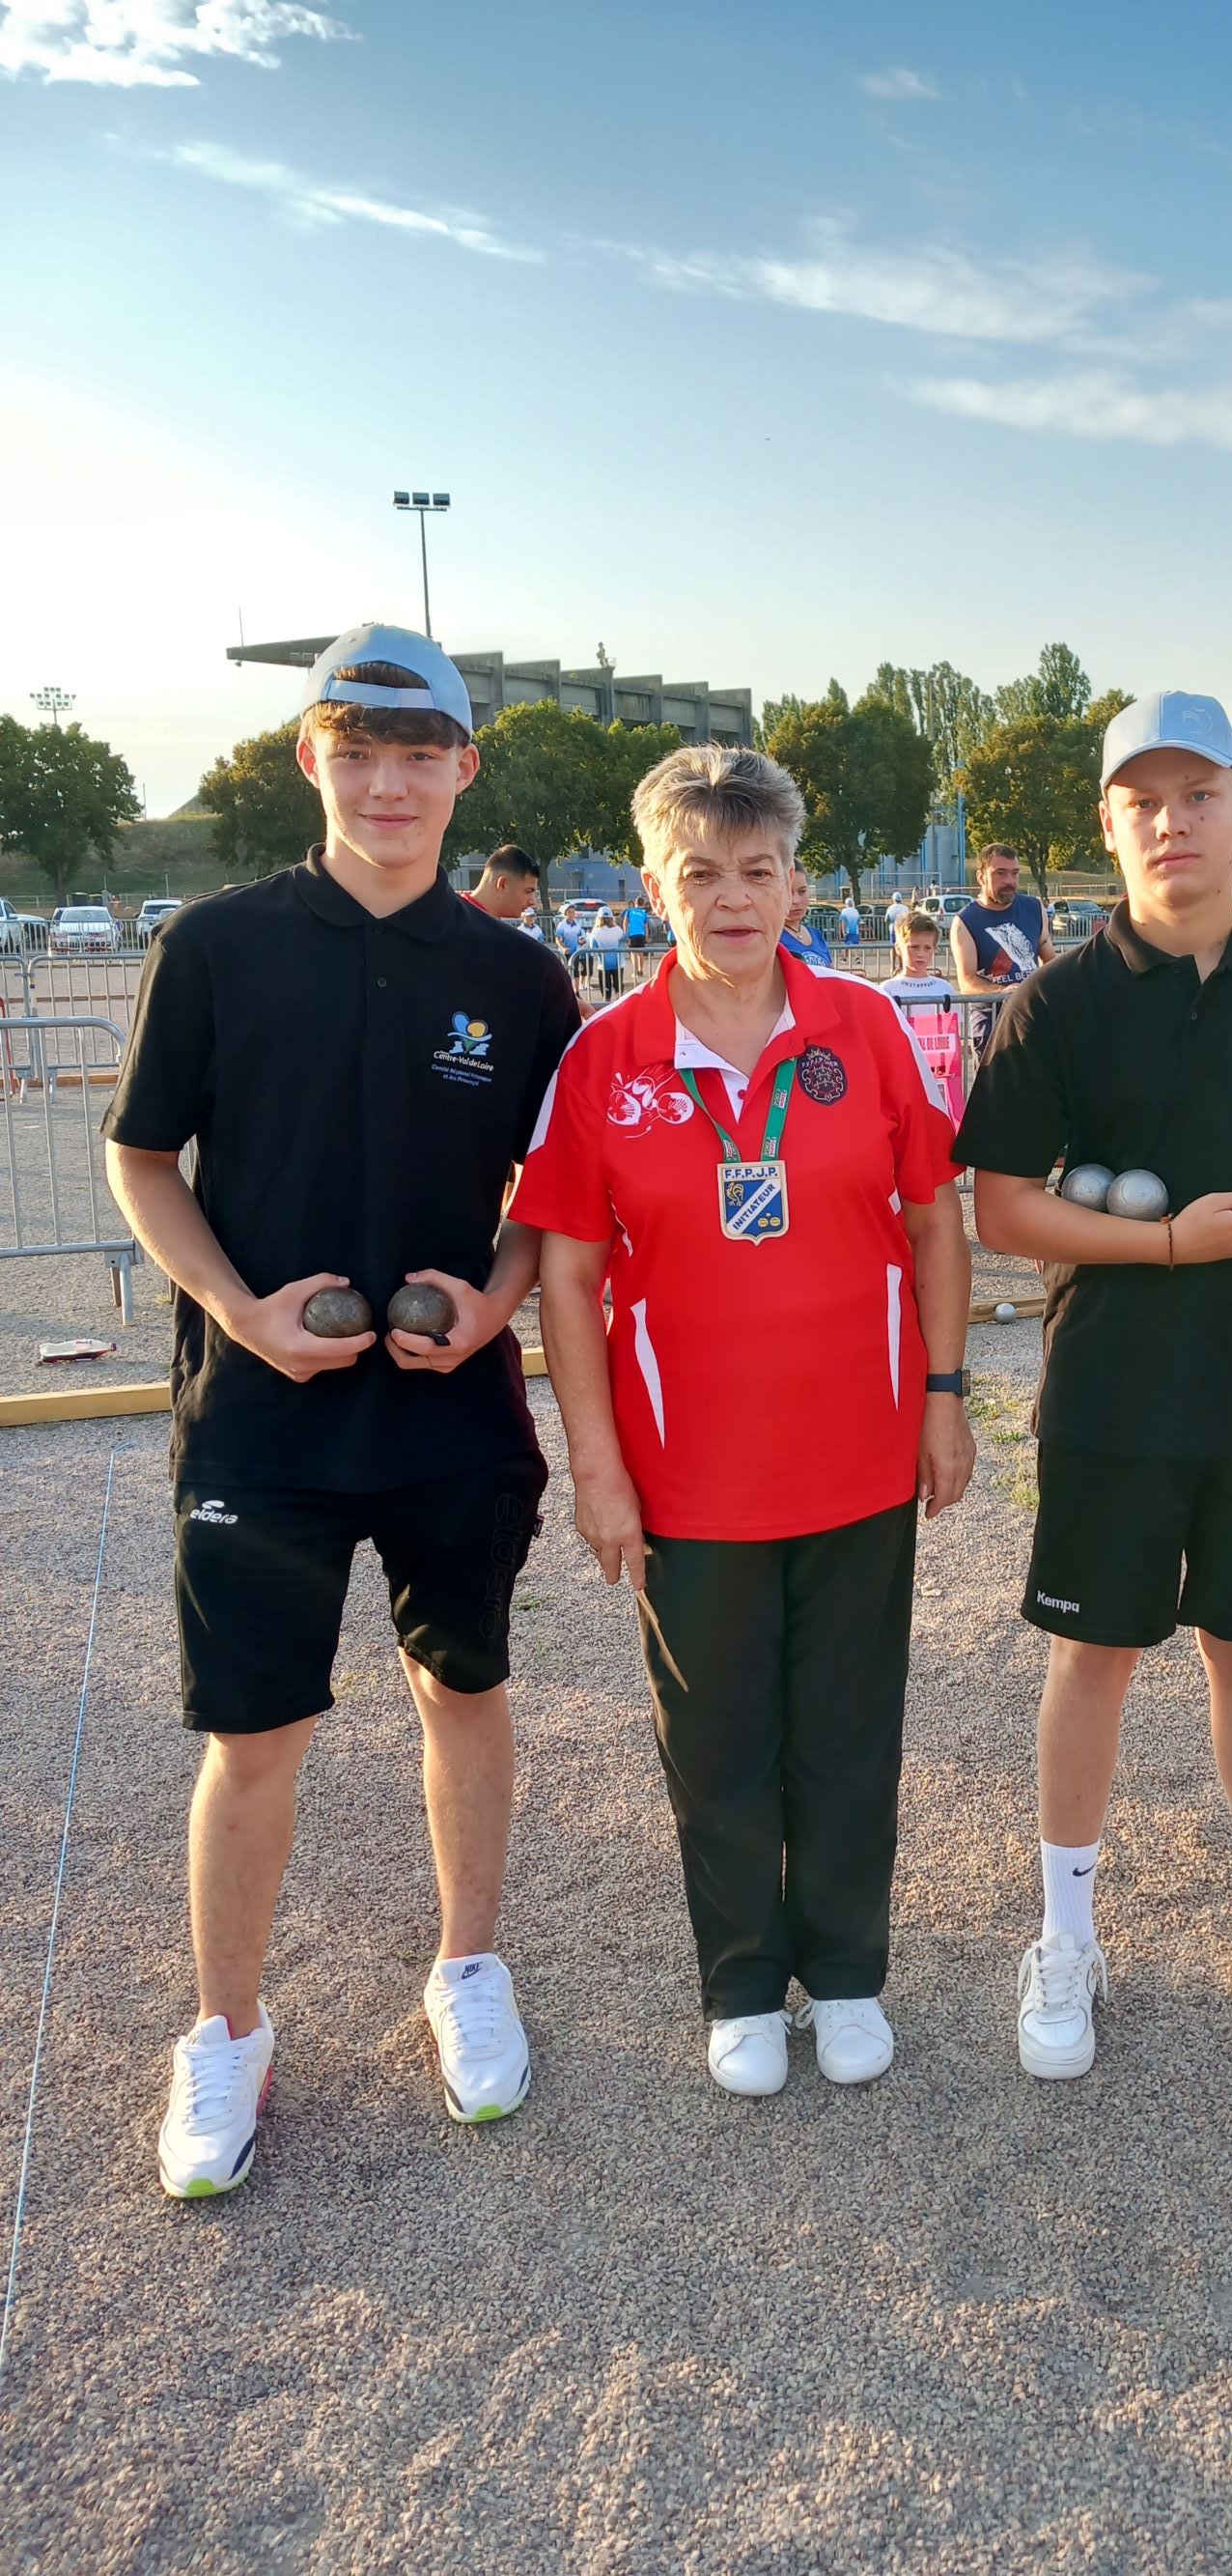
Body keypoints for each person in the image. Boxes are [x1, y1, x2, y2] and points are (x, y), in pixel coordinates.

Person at [101, 622, 579, 2198]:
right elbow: (144, 1159)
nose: (388, 782)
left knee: (465, 1695)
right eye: (355, 751)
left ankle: (466, 1968)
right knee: (256, 1738)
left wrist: (499, 1305)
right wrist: (241, 1312)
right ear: (312, 758)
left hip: (450, 1418)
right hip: (264, 1420)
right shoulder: (219, 945)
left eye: (418, 753)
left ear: (462, 768)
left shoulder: (517, 976)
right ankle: (227, 2032)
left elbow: (551, 1197)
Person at [957, 689, 1232, 2082]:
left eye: (1196, 794)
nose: (1171, 822)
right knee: (1092, 1655)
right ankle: (1068, 1936)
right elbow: (1001, 1209)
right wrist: (1159, 1241)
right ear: (1108, 823)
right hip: (1110, 1392)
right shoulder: (1061, 1000)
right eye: (1142, 800)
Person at [514, 745, 973, 2099]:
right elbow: (568, 1272)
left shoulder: (867, 1027)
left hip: (861, 1453)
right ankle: (739, 1979)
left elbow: (933, 1219)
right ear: (654, 886)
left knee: (846, 1725)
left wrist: (945, 1398)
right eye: (700, 871)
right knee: (716, 1739)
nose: (731, 896)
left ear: (794, 882)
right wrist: (597, 1465)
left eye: (757, 870)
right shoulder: (603, 1060)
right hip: (686, 1473)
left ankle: (845, 1971)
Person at [950, 843, 1055, 1061]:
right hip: (991, 1025)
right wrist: (1004, 992)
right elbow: (966, 981)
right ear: (981, 877)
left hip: (1033, 1017)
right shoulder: (965, 921)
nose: (1009, 881)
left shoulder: (1035, 908)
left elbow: (1050, 960)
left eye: (1015, 873)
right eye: (1000, 873)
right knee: (995, 1093)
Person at [882, 911, 965, 1120]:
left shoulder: (943, 988)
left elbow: (955, 1034)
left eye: (927, 948)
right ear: (899, 948)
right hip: (904, 1075)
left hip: (939, 1076)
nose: (920, 954)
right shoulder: (887, 989)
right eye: (913, 947)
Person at [466, 842, 540, 922]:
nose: (532, 902)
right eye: (528, 891)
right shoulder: (457, 921)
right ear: (502, 885)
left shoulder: (485, 923)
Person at [779, 864, 832, 969]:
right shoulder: (771, 939)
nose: (796, 901)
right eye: (788, 893)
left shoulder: (816, 934)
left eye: (802, 891)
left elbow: (832, 977)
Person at [590, 906, 625, 1000]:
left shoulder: (595, 932)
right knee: (618, 986)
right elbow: (622, 939)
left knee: (606, 989)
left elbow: (592, 947)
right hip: (618, 963)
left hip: (603, 964)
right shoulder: (617, 929)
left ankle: (606, 1005)